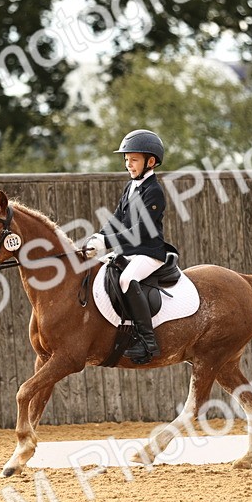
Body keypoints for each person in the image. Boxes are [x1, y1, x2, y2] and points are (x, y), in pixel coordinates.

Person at [83, 129, 178, 363]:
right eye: (126, 159)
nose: (128, 164)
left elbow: (140, 231)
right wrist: (98, 237)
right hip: (129, 251)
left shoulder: (154, 191)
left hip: (150, 252)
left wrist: (108, 242)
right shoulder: (130, 187)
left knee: (127, 280)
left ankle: (148, 340)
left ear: (151, 161)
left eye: (133, 159)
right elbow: (116, 219)